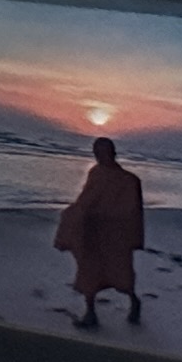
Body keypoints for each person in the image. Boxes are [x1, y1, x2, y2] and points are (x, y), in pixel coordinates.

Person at [55, 136, 148, 331]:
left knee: (121, 274)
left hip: (115, 236)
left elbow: (131, 213)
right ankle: (90, 313)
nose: (99, 156)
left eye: (103, 152)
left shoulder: (129, 181)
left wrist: (130, 236)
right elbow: (85, 200)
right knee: (88, 271)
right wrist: (72, 214)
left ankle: (134, 301)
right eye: (96, 152)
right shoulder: (96, 173)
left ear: (113, 153)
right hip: (92, 232)